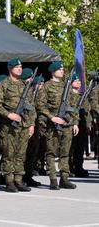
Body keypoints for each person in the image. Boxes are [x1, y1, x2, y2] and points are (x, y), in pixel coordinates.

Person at [0, 58, 35, 193]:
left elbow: (30, 107)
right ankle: (9, 181)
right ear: (10, 69)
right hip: (8, 126)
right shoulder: (3, 85)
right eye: (17, 67)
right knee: (8, 154)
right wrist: (9, 114)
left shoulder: (24, 86)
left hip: (23, 125)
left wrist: (31, 124)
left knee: (21, 154)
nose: (20, 68)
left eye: (21, 66)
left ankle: (18, 179)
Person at [37, 61, 79, 190]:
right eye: (59, 69)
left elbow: (73, 106)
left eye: (62, 69)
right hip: (53, 125)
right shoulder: (46, 86)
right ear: (53, 71)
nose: (62, 71)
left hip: (67, 124)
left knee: (65, 153)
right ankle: (53, 179)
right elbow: (40, 105)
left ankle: (64, 178)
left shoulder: (66, 86)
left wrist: (75, 122)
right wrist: (52, 117)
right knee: (51, 153)